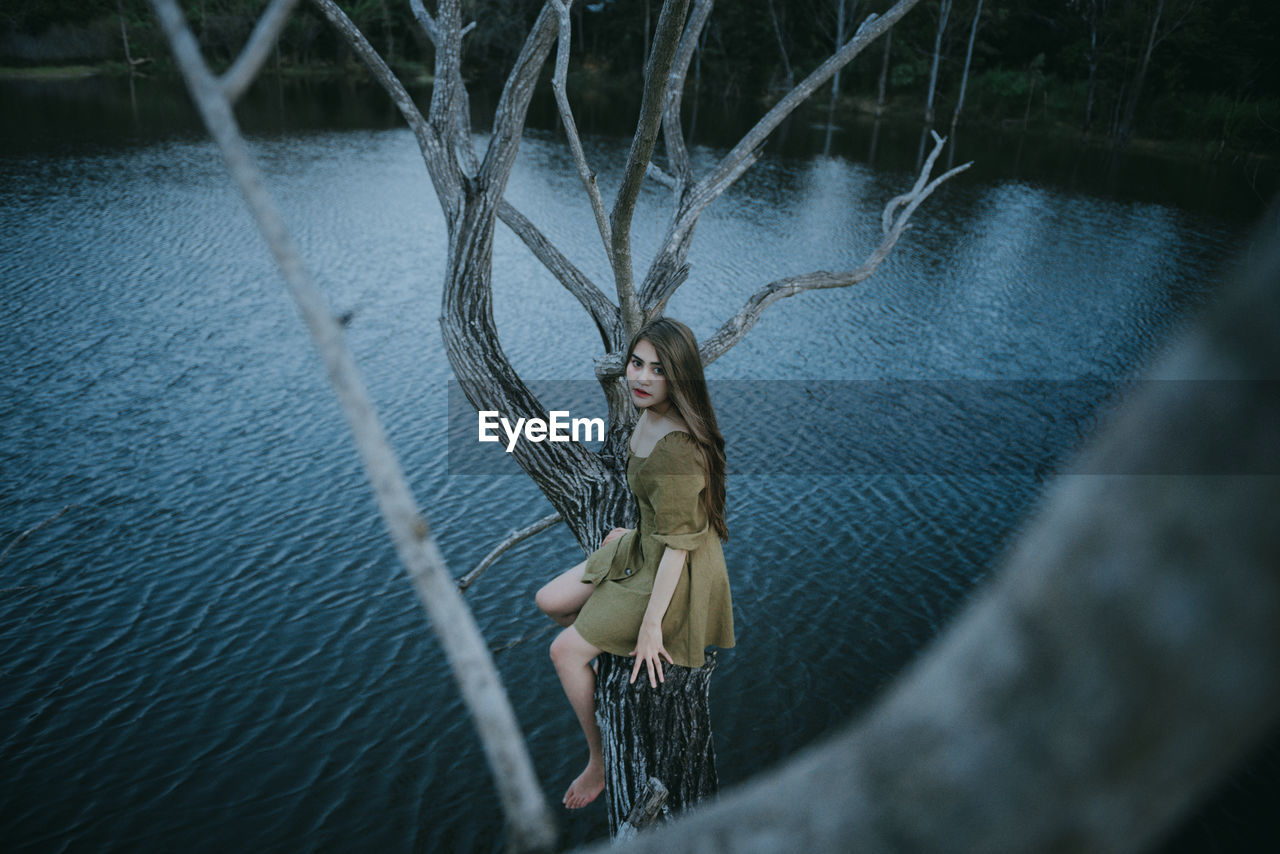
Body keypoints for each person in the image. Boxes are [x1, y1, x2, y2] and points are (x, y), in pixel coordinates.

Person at [535, 317, 735, 810]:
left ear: (679, 377)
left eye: (658, 370)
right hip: (647, 542)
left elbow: (683, 544)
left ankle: (598, 762)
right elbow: (664, 511)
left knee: (565, 652)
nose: (641, 378)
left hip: (675, 568)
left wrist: (650, 627)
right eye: (636, 363)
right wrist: (634, 531)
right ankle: (608, 629)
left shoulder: (677, 449)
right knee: (549, 600)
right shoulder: (648, 415)